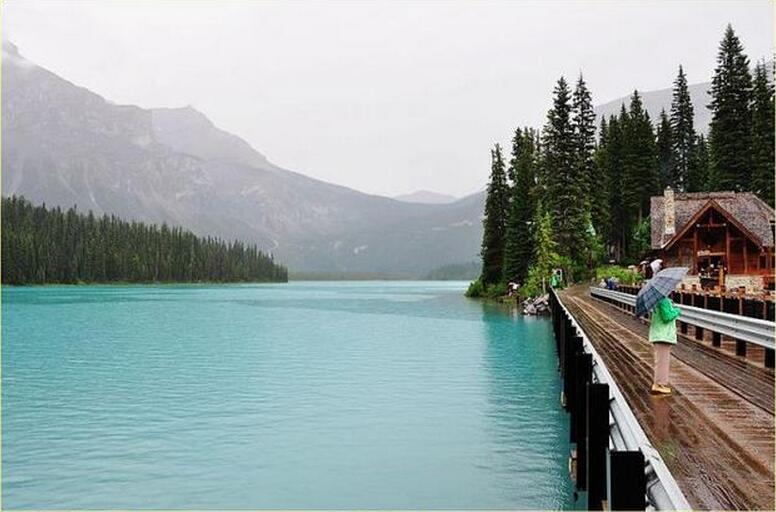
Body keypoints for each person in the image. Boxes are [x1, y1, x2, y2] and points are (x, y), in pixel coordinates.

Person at [649, 295, 681, 394]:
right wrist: (677, 311)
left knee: (661, 360)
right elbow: (667, 317)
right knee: (662, 361)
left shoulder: (657, 300)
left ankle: (659, 383)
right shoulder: (663, 301)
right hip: (663, 335)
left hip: (658, 334)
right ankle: (658, 384)